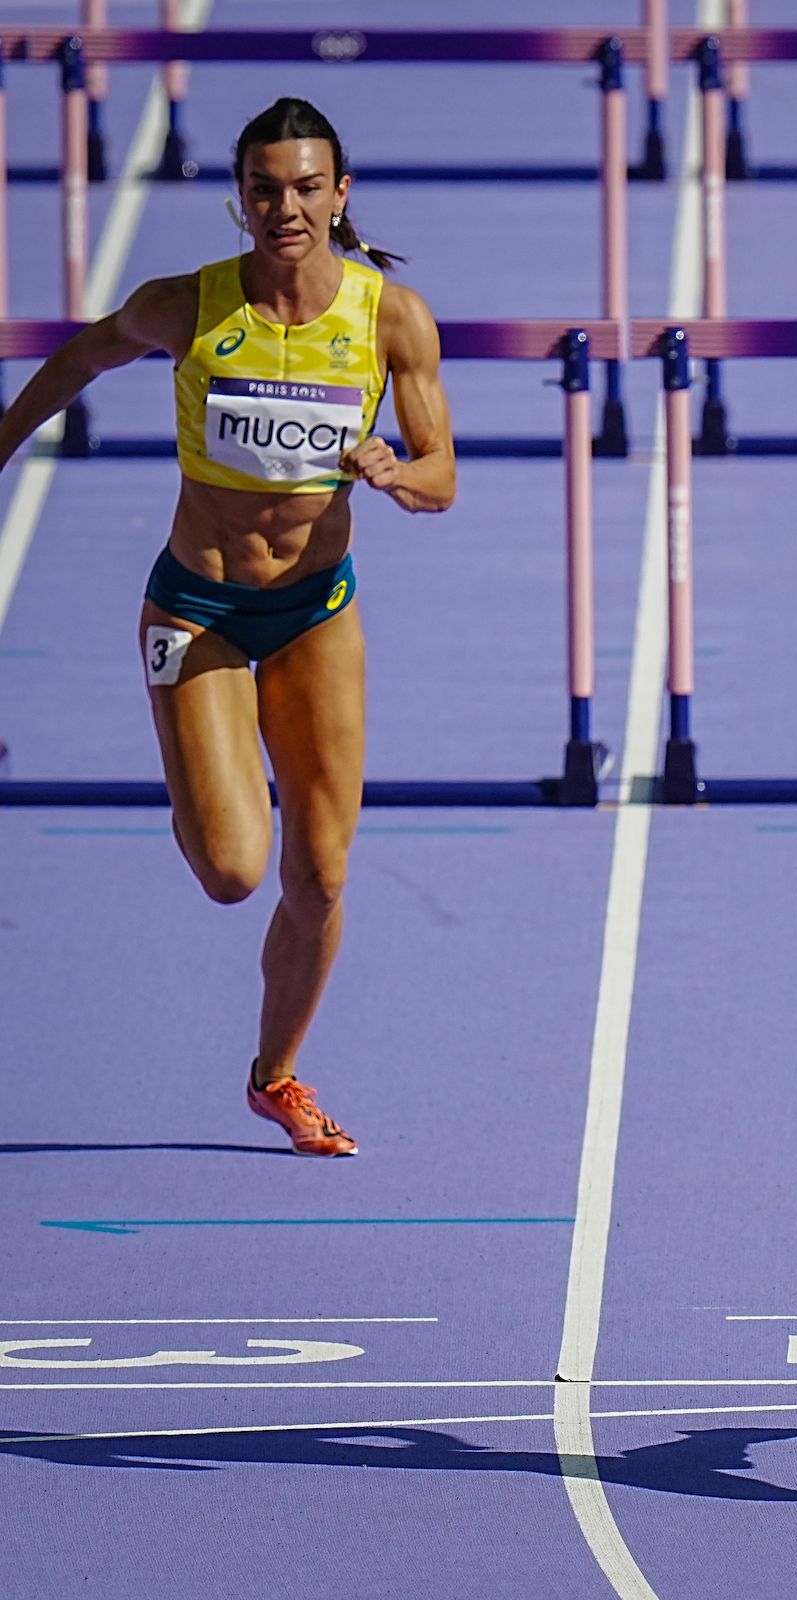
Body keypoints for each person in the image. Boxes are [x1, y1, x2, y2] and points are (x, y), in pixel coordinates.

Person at [0, 98, 456, 1156]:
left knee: (323, 876)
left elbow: (444, 476)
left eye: (306, 186)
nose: (284, 206)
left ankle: (276, 1075)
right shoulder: (191, 307)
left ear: (341, 196)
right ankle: (203, 767)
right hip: (197, 609)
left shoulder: (392, 318)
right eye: (264, 188)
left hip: (313, 613)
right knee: (234, 872)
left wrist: (396, 471)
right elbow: (82, 356)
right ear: (239, 200)